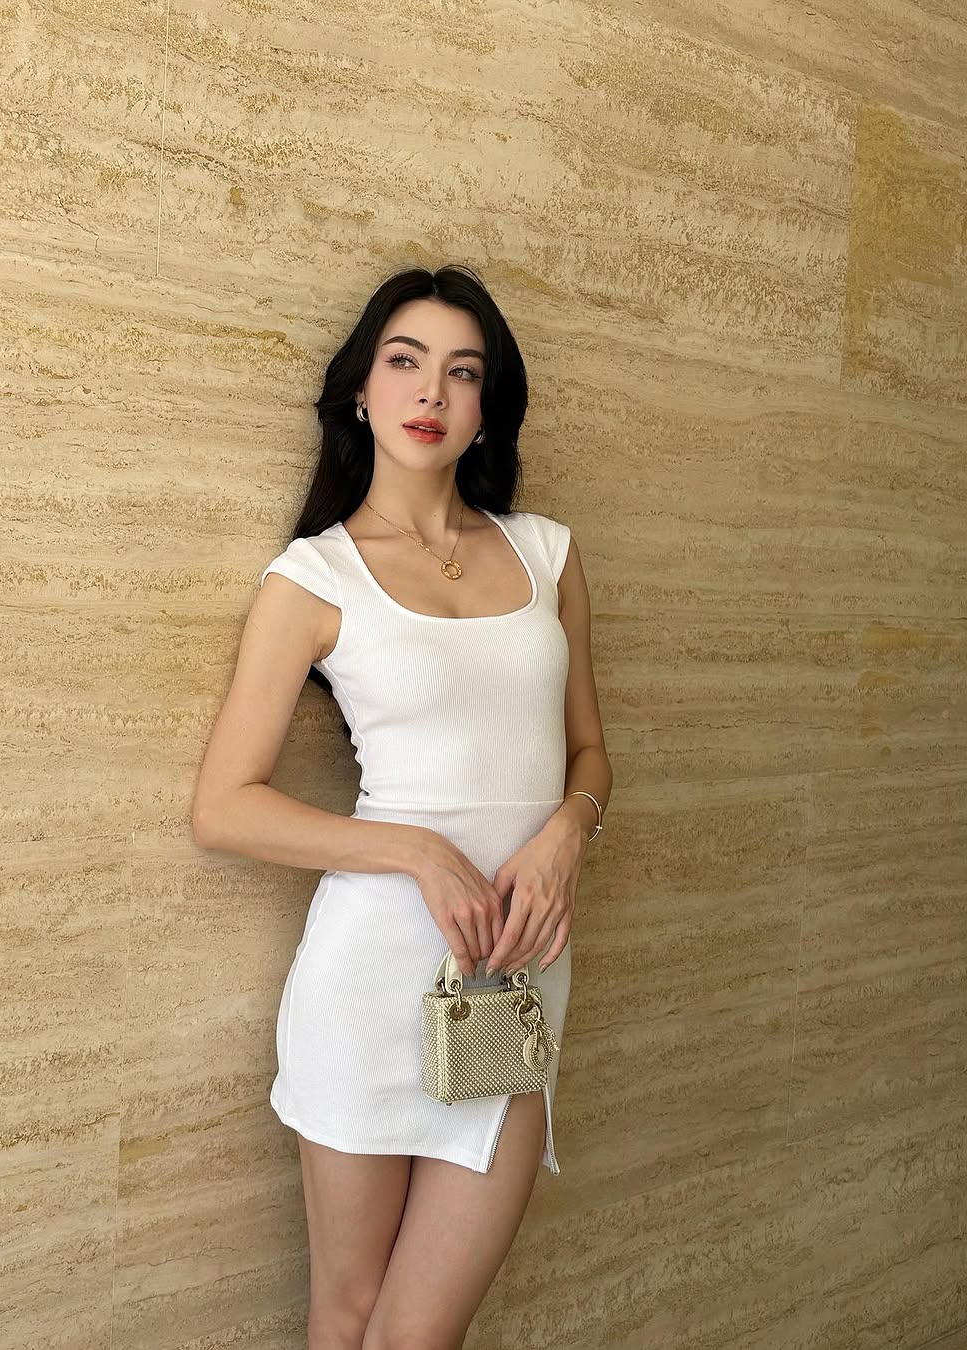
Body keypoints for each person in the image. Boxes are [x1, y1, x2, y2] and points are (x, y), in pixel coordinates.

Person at [191, 264, 612, 1349]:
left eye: (463, 373)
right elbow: (224, 808)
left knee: (420, 1334)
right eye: (405, 361)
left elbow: (589, 754)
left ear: (486, 409)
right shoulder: (315, 578)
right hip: (370, 982)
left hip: (512, 979)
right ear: (361, 391)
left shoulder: (548, 554)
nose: (432, 391)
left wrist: (567, 832)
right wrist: (417, 851)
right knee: (351, 1318)